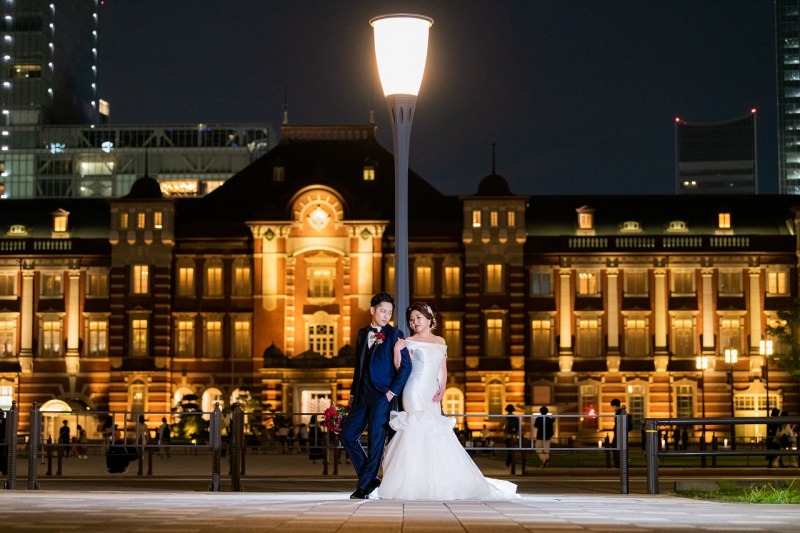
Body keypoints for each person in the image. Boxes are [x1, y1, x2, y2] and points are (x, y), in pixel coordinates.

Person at [377, 302, 517, 500]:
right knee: (417, 428)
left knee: (435, 432)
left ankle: (437, 480)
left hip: (432, 391)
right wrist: (396, 350)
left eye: (418, 318)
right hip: (414, 391)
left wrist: (442, 387)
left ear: (428, 319)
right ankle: (412, 482)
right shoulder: (407, 341)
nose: (414, 322)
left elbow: (442, 368)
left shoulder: (440, 341)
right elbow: (400, 369)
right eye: (411, 319)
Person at [340, 292, 412, 500]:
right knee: (347, 436)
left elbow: (406, 368)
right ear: (372, 311)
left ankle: (363, 487)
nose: (385, 315)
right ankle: (370, 478)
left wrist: (391, 393)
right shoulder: (363, 333)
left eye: (389, 312)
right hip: (362, 395)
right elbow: (359, 366)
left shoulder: (395, 334)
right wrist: (353, 393)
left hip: (383, 396)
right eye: (382, 311)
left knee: (375, 443)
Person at [610, 398, 631, 468]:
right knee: (620, 449)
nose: (613, 408)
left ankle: (618, 465)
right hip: (621, 433)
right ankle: (621, 464)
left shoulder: (619, 412)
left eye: (613, 407)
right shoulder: (622, 412)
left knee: (616, 448)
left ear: (615, 406)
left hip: (619, 434)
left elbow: (618, 424)